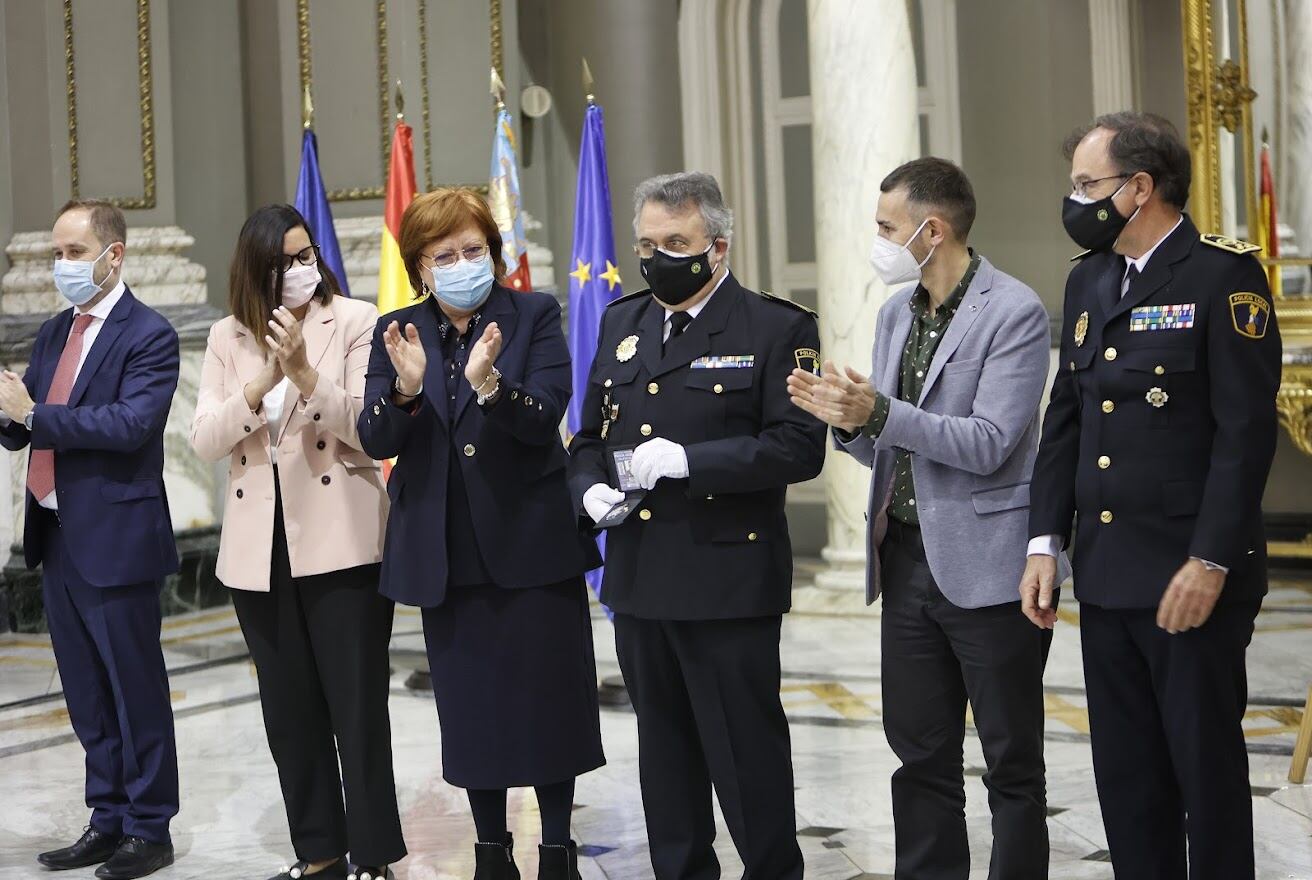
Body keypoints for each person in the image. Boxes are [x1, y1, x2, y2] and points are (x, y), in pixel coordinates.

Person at [1022, 112, 1282, 880]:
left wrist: (1211, 559)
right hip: (1107, 575)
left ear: (1140, 188)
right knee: (1129, 783)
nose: (1075, 200)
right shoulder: (1089, 278)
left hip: (1188, 577)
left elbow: (1245, 437)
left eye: (1087, 185)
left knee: (1204, 775)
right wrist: (1045, 541)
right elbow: (1065, 420)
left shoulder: (1221, 276)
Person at [788, 157, 1063, 880]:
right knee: (920, 756)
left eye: (888, 227)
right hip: (906, 560)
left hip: (991, 567)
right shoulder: (894, 313)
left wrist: (878, 410)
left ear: (931, 230)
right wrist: (848, 424)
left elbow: (990, 443)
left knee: (1010, 763)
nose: (878, 240)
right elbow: (894, 445)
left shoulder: (1014, 311)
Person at [567, 171, 826, 880]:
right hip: (642, 574)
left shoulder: (776, 327)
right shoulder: (623, 322)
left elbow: (799, 448)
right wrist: (587, 491)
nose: (657, 258)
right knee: (667, 761)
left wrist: (691, 460)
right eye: (646, 244)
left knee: (746, 757)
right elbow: (588, 437)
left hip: (727, 581)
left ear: (717, 247)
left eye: (674, 243)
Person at [357, 187, 604, 880]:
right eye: (446, 254)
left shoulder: (533, 314)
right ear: (421, 268)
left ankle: (556, 846)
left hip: (532, 541)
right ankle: (491, 849)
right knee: (473, 714)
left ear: (495, 255)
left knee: (551, 703)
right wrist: (404, 392)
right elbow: (375, 433)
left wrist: (491, 385)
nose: (463, 263)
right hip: (446, 550)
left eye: (475, 250)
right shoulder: (397, 330)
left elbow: (547, 413)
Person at [190, 204, 405, 880]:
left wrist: (307, 374)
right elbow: (204, 441)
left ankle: (373, 854)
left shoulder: (357, 319)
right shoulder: (227, 336)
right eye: (286, 260)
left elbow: (372, 432)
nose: (301, 269)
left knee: (357, 711)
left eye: (307, 254)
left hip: (342, 540)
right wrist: (264, 380)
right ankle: (319, 853)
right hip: (259, 554)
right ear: (258, 269)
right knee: (290, 716)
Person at [0, 200, 179, 879]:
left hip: (118, 537)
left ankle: (150, 828)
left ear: (115, 255)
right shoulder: (54, 332)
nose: (61, 266)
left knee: (135, 690)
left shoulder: (149, 335)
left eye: (74, 252)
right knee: (86, 694)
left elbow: (129, 425)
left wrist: (35, 414)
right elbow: (32, 422)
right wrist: (9, 413)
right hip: (56, 535)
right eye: (56, 254)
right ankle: (106, 819)